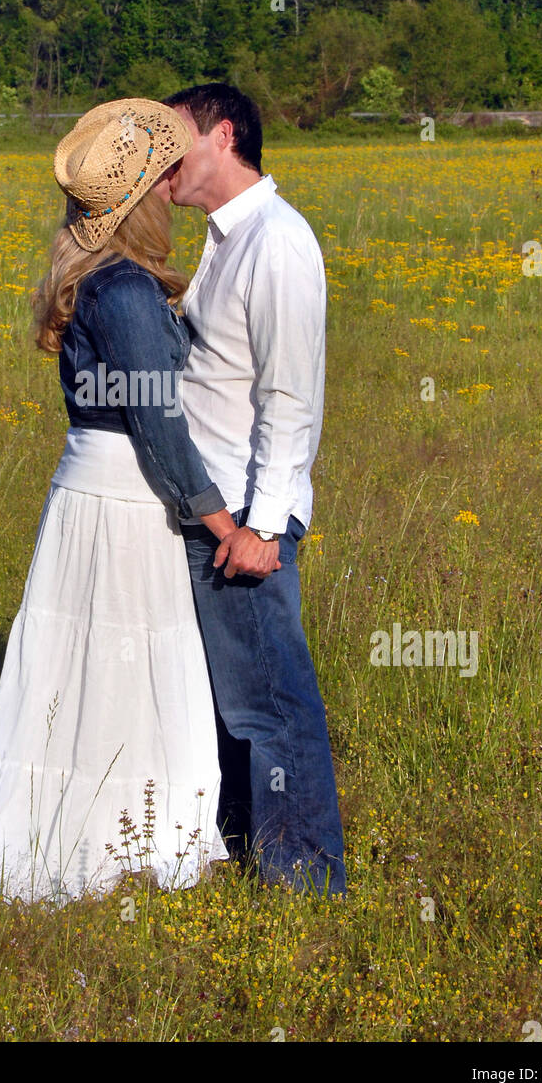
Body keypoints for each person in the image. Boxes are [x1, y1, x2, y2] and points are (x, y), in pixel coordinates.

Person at [0, 98, 241, 905]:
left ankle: (105, 827)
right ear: (140, 198)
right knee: (124, 659)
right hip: (122, 496)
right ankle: (117, 841)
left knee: (92, 662)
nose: (177, 184)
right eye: (164, 176)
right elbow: (158, 424)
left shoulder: (101, 280)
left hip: (93, 486)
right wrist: (219, 520)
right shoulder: (125, 290)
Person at [152, 82, 348, 896]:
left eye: (176, 144)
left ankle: (305, 882)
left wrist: (262, 529)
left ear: (223, 136)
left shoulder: (276, 240)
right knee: (234, 703)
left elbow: (290, 397)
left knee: (272, 704)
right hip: (218, 511)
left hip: (244, 518)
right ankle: (248, 851)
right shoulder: (223, 238)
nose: (162, 164)